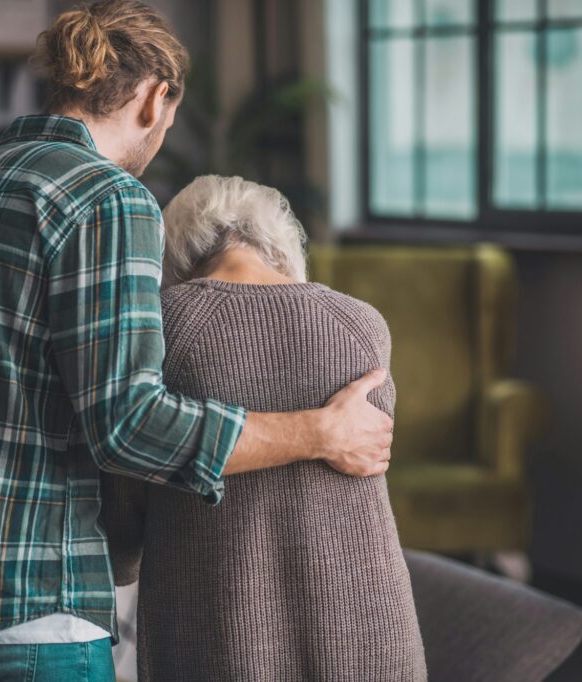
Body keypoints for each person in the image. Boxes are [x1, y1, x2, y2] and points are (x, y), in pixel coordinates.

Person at [0, 2, 393, 680]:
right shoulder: (108, 197)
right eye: (168, 115)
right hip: (24, 614)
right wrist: (320, 433)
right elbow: (129, 425)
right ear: (152, 97)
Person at [100, 175, 427, 681]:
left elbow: (127, 497)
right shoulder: (361, 324)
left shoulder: (167, 326)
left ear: (175, 253)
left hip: (222, 631)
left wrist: (121, 564)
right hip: (371, 627)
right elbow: (372, 454)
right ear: (281, 244)